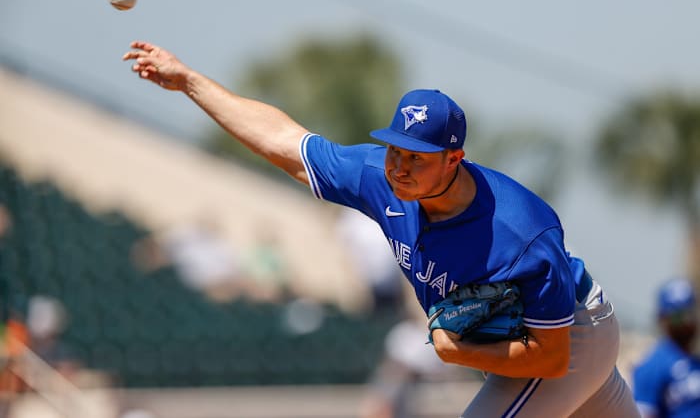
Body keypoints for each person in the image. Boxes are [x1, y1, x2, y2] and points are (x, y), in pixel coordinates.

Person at [122, 41, 640, 417]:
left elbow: (550, 359)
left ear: (454, 158)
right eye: (394, 148)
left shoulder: (519, 233)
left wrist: (457, 351)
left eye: (416, 157)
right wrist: (189, 81)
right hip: (535, 345)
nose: (399, 166)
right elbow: (285, 142)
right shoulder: (380, 178)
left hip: (571, 335)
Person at [632, 278, 700, 417]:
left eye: (690, 314)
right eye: (678, 317)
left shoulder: (695, 363)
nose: (687, 322)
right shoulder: (651, 367)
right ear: (662, 318)